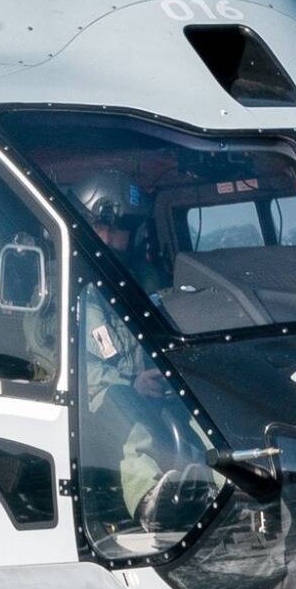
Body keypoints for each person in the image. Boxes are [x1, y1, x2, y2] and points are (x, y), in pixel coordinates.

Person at [73, 171, 213, 540]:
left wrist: (168, 370)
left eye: (133, 228)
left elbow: (171, 322)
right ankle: (150, 497)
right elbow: (61, 363)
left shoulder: (142, 279)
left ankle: (221, 484)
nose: (128, 238)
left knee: (204, 416)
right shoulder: (68, 288)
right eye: (124, 227)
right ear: (97, 223)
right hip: (102, 402)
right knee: (131, 423)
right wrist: (129, 383)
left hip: (152, 386)